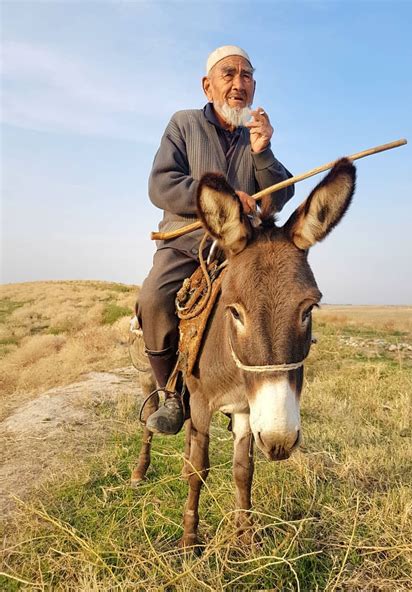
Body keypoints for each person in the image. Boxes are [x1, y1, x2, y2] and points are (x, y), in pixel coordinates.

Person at [136, 45, 295, 435]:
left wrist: (263, 152)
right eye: (229, 74)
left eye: (246, 76)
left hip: (238, 248)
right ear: (208, 86)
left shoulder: (254, 135)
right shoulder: (184, 123)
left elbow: (278, 196)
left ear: (253, 87)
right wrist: (221, 198)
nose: (238, 83)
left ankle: (251, 389)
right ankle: (171, 394)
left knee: (275, 302)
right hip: (185, 241)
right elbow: (161, 184)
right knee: (154, 297)